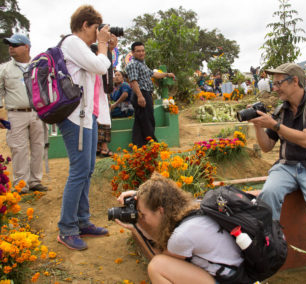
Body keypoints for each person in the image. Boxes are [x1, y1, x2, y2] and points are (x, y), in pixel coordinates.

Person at [250, 63, 306, 284]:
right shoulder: (281, 110)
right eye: (274, 83)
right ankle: (266, 265)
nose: (275, 88)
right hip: (286, 166)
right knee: (267, 197)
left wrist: (276, 126)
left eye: (279, 83)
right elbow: (267, 147)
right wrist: (258, 125)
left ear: (295, 81)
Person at [115, 173, 244, 284]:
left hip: (231, 280)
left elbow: (159, 259)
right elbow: (157, 197)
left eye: (142, 214)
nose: (140, 217)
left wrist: (136, 229)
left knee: (157, 266)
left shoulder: (182, 235)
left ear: (160, 211)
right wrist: (141, 197)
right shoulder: (192, 208)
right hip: (238, 272)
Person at [56, 5, 112, 250]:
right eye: (95, 28)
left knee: (87, 169)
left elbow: (102, 72)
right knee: (79, 171)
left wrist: (106, 47)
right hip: (73, 118)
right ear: (85, 25)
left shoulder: (83, 49)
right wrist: (102, 46)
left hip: (86, 117)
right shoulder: (72, 43)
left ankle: (82, 220)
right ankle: (67, 229)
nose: (97, 33)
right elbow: (101, 66)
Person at [0, 34, 48, 193]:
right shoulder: (4, 68)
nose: (11, 47)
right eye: (9, 44)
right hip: (15, 113)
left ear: (26, 47)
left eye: (15, 44)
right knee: (18, 149)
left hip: (37, 112)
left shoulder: (38, 66)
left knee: (38, 147)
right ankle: (21, 185)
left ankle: (35, 181)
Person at [125, 42, 175, 147]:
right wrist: (140, 96)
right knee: (148, 120)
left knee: (140, 121)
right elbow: (133, 81)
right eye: (138, 51)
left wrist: (166, 74)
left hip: (145, 93)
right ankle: (152, 144)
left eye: (143, 50)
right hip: (140, 93)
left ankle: (139, 145)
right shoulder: (133, 64)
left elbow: (153, 74)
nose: (141, 53)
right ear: (133, 52)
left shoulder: (142, 63)